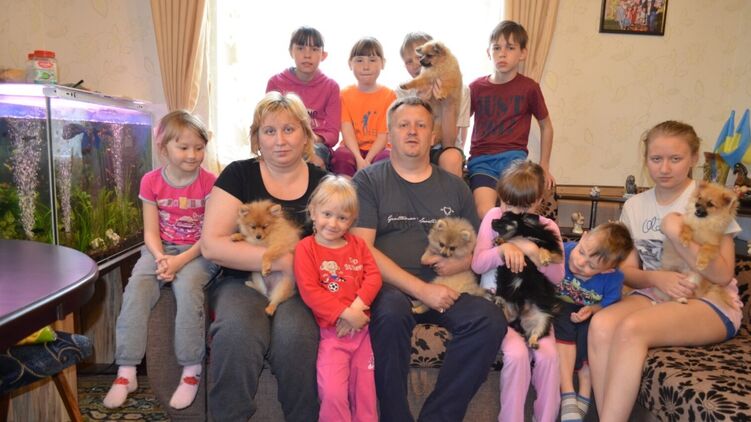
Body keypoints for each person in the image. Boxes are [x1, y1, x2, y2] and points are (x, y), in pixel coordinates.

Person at [351, 95, 506, 421]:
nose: (412, 131)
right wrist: (422, 290)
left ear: (433, 135)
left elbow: (479, 247)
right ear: (389, 135)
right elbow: (362, 249)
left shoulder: (456, 187)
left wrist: (462, 263)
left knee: (490, 320)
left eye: (420, 125)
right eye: (403, 125)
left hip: (450, 285)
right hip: (390, 288)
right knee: (390, 312)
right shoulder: (367, 181)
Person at [588, 121, 743, 422]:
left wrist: (674, 231)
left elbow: (723, 274)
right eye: (656, 159)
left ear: (694, 158)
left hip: (711, 299)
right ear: (646, 159)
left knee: (632, 328)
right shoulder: (635, 206)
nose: (665, 168)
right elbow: (628, 272)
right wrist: (657, 277)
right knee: (602, 324)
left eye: (676, 158)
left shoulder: (710, 198)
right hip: (656, 291)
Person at [200, 92, 327, 421]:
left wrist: (295, 268)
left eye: (289, 129)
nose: (280, 140)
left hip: (298, 287)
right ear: (257, 138)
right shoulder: (238, 175)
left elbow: (337, 249)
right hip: (241, 282)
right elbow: (212, 245)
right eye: (269, 131)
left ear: (305, 135)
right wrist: (283, 260)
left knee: (296, 337)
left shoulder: (323, 183)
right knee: (237, 332)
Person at [104, 110, 217, 410]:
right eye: (184, 147)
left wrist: (179, 263)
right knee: (136, 289)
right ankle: (126, 371)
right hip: (160, 249)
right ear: (163, 148)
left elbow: (210, 237)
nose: (193, 155)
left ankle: (191, 368)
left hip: (198, 252)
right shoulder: (151, 181)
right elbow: (150, 232)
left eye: (199, 147)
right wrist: (161, 257)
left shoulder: (210, 183)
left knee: (188, 286)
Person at [471, 159, 564, 422]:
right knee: (516, 355)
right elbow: (477, 264)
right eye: (507, 203)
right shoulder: (493, 218)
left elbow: (558, 277)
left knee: (549, 357)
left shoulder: (548, 228)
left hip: (534, 307)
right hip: (499, 306)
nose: (511, 211)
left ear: (538, 202)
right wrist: (502, 250)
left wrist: (533, 251)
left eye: (522, 207)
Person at [294, 175, 382, 422]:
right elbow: (310, 291)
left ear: (352, 220)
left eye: (342, 218)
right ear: (313, 212)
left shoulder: (358, 245)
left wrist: (356, 310)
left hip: (362, 333)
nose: (333, 223)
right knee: (333, 393)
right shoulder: (306, 248)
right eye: (327, 214)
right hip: (332, 336)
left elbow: (374, 277)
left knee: (365, 394)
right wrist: (345, 314)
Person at [469, 20, 555, 219]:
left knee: (516, 211)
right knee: (485, 212)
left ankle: (516, 238)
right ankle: (491, 241)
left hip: (514, 161)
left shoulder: (529, 88)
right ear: (488, 53)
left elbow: (546, 126)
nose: (502, 53)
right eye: (496, 48)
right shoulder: (476, 88)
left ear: (522, 53)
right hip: (482, 161)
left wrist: (544, 165)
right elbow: (461, 123)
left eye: (510, 47)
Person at [553, 223, 633, 422]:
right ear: (583, 236)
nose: (580, 263)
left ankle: (585, 390)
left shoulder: (613, 279)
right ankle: (568, 392)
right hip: (559, 306)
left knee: (591, 330)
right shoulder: (563, 252)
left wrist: (592, 310)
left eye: (591, 266)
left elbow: (607, 304)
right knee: (562, 320)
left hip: (586, 311)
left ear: (607, 270)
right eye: (581, 252)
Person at [266, 26, 341, 170]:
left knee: (314, 160)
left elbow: (333, 135)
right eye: (300, 48)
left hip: (316, 144)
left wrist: (309, 139)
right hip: (283, 141)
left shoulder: (331, 87)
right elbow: (268, 124)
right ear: (291, 52)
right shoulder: (275, 82)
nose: (307, 55)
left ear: (323, 55)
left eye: (314, 49)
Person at [397, 31, 467, 178]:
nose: (416, 64)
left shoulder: (459, 88)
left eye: (419, 57)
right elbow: (406, 136)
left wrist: (447, 105)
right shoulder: (402, 91)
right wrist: (422, 103)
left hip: (445, 148)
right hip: (415, 147)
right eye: (408, 62)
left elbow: (449, 143)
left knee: (451, 158)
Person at [330, 37, 396, 177]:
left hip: (379, 149)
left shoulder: (389, 96)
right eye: (359, 60)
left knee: (387, 158)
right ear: (350, 64)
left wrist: (367, 160)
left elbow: (383, 135)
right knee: (341, 155)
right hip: (353, 148)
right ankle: (347, 190)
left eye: (372, 60)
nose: (366, 66)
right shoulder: (344, 94)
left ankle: (376, 190)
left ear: (383, 63)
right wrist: (359, 158)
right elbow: (347, 130)